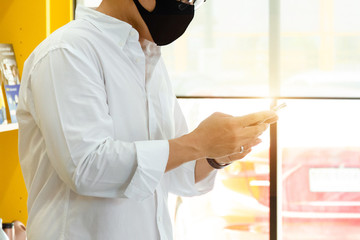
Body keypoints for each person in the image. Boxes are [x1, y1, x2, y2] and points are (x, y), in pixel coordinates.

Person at [16, 0, 278, 239]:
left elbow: (175, 173)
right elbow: (86, 168)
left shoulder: (148, 57)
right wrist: (198, 142)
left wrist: (215, 154)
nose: (185, 5)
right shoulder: (67, 52)